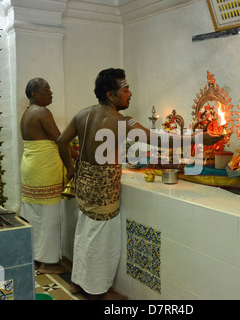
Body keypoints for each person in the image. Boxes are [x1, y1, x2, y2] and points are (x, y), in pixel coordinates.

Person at [56, 68, 224, 299]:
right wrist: (200, 138)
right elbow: (162, 141)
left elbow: (62, 141)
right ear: (110, 95)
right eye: (125, 90)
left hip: (84, 185)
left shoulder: (83, 114)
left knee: (85, 232)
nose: (130, 94)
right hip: (104, 189)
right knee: (101, 238)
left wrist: (71, 169)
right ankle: (95, 291)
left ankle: (79, 282)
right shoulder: (121, 121)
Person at [20, 78, 77, 274]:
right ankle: (49, 263)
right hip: (43, 170)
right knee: (49, 216)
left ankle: (35, 258)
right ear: (34, 94)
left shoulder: (27, 113)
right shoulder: (41, 112)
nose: (51, 93)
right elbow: (61, 140)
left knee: (35, 214)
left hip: (32, 168)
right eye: (46, 90)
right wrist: (78, 158)